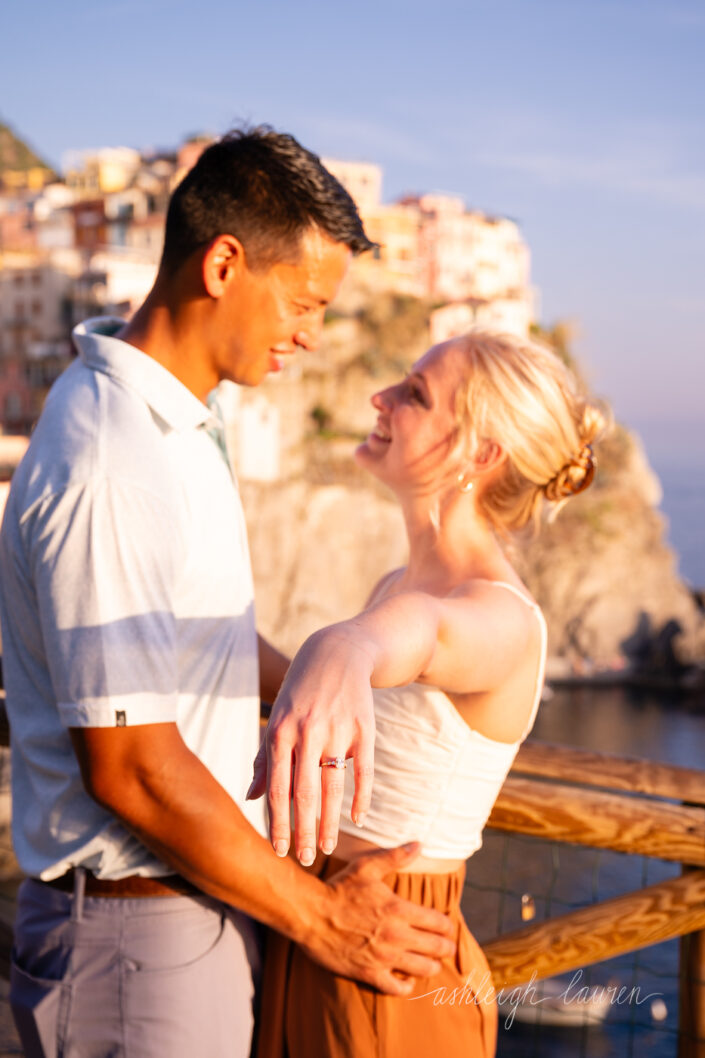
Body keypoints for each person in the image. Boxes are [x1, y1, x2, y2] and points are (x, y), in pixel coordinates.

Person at [0, 127, 456, 1058]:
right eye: (303, 302)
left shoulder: (171, 423)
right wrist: (327, 923)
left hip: (182, 921)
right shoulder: (113, 462)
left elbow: (188, 643)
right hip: (137, 948)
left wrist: (322, 697)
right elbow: (127, 766)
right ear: (222, 264)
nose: (311, 334)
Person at [253, 330, 607, 1057]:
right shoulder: (398, 584)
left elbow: (413, 636)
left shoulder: (499, 617)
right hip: (317, 918)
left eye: (413, 394)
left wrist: (342, 644)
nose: (379, 400)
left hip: (393, 957)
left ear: (479, 454)